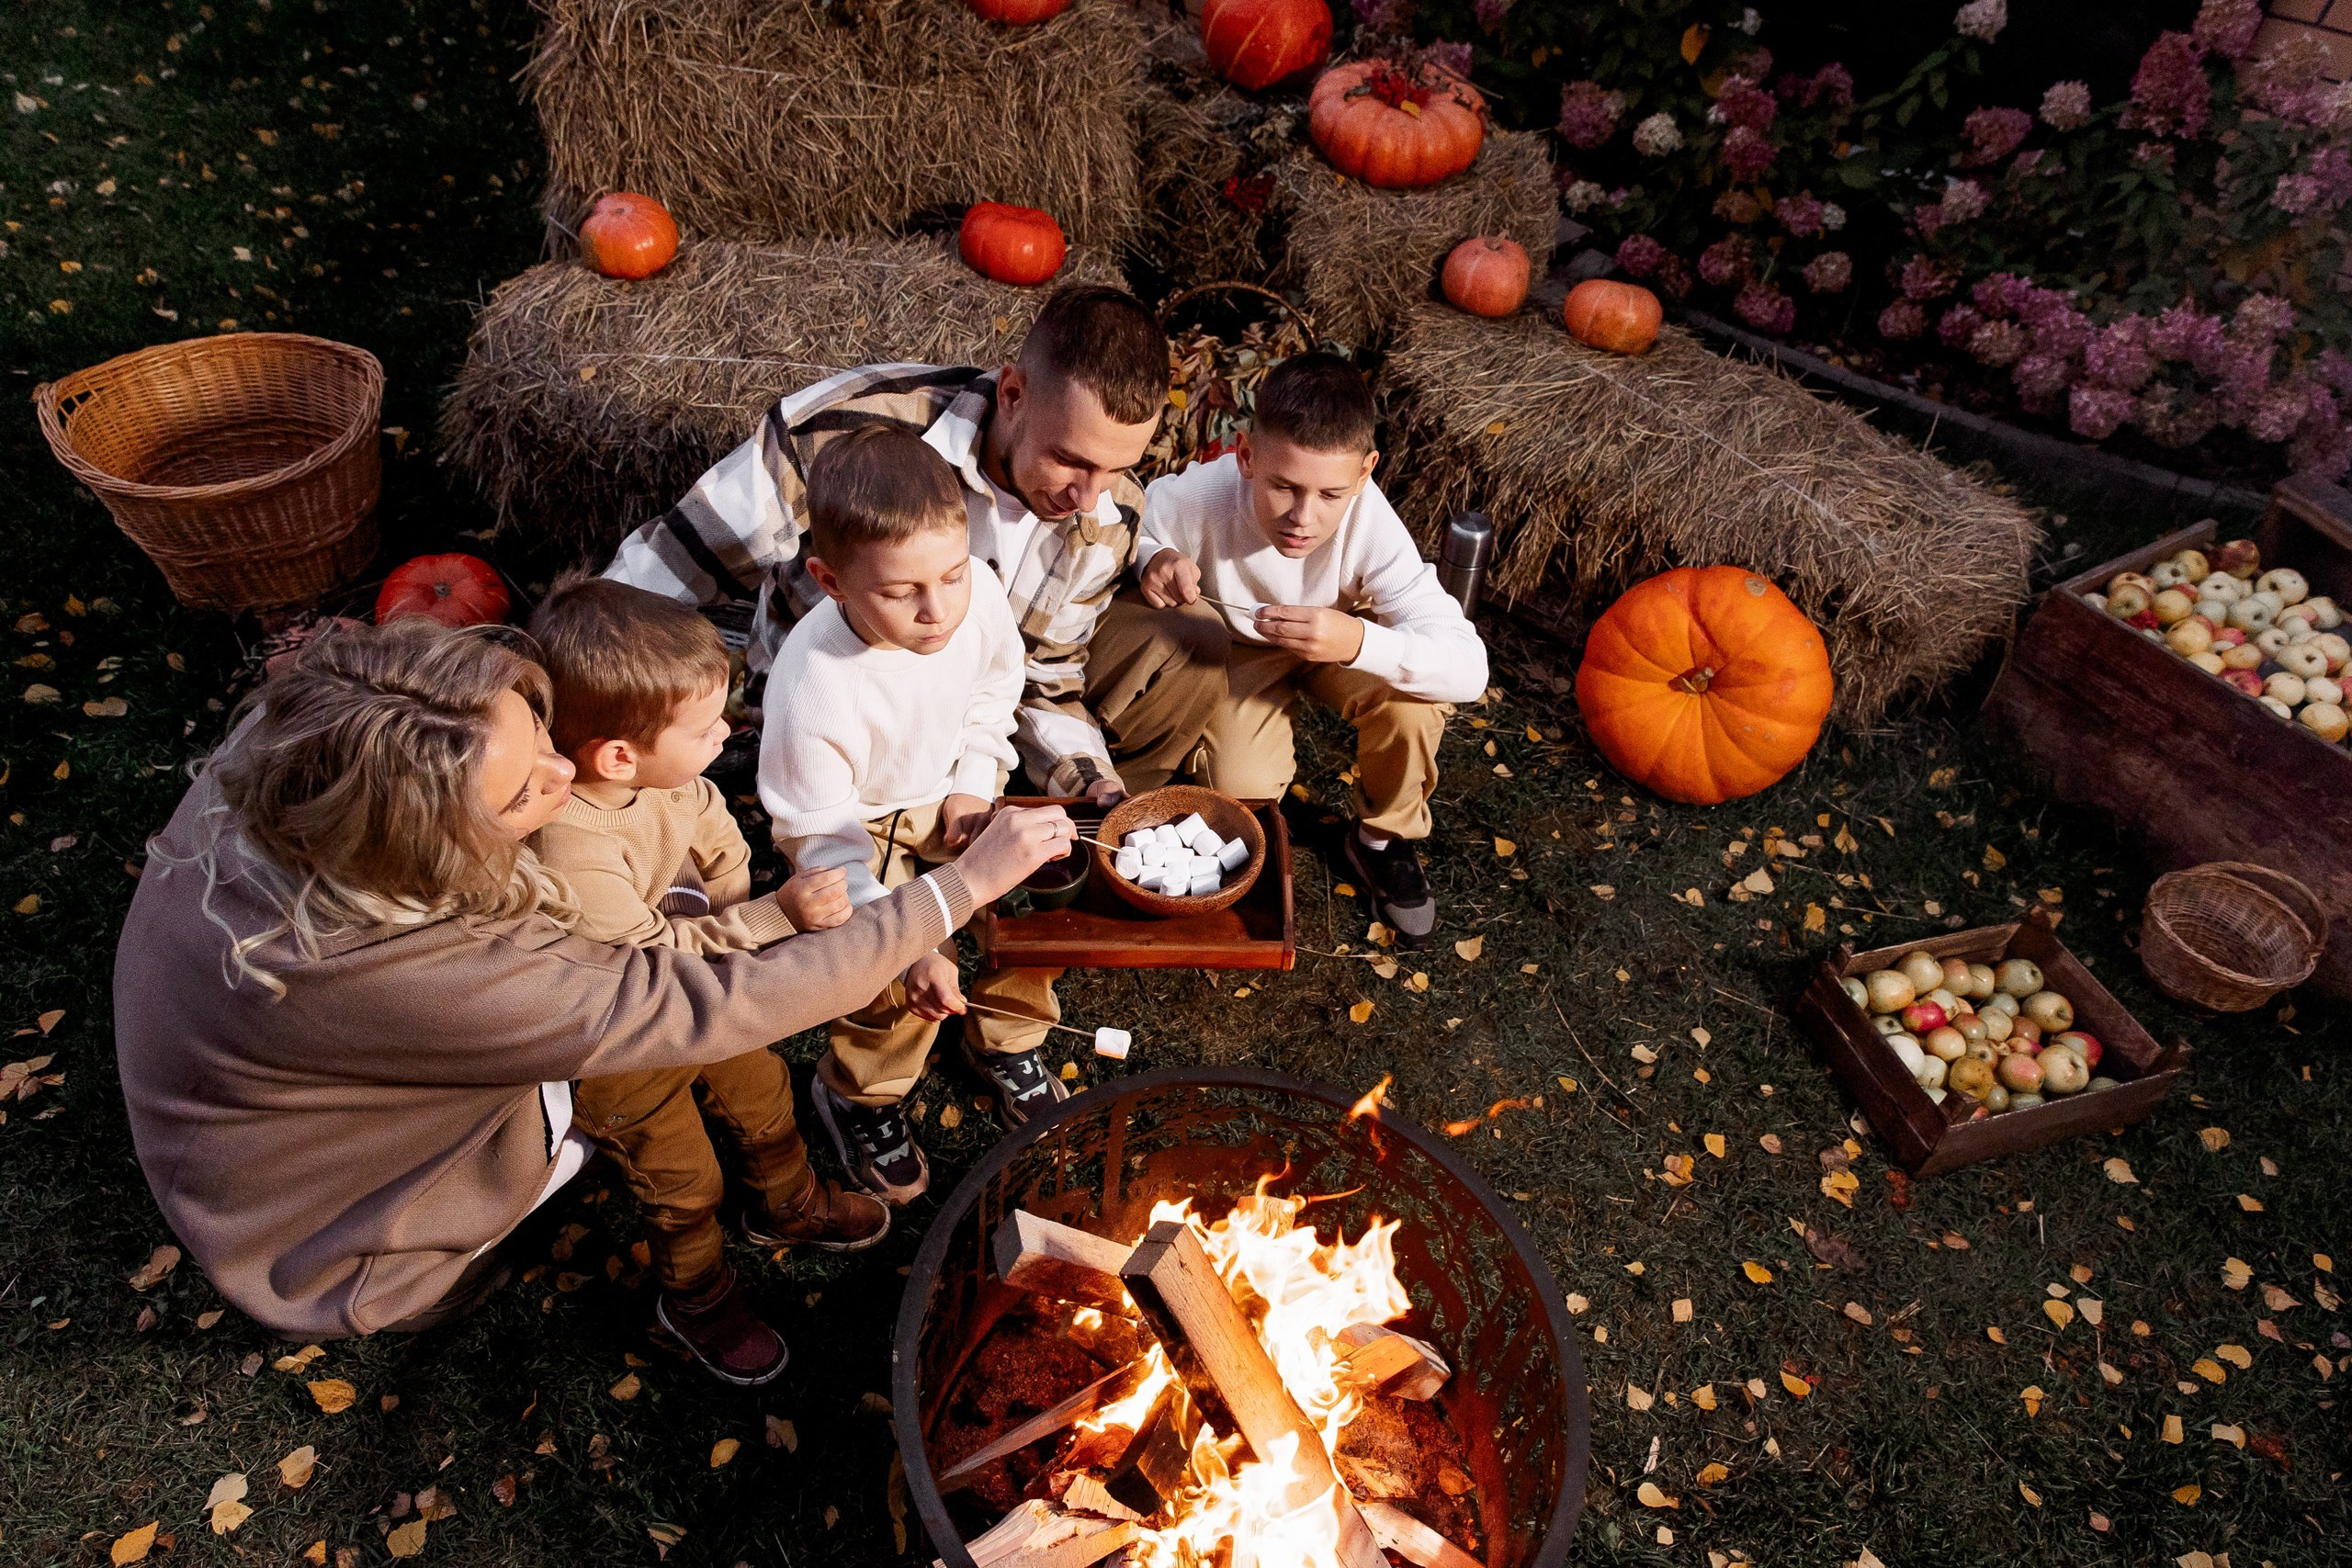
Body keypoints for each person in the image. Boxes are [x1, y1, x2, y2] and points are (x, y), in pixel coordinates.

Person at [111, 620, 1072, 1343]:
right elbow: (706, 1003)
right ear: (425, 850)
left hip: (247, 1095)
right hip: (317, 1233)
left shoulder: (312, 752)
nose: (563, 772)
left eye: (538, 730)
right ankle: (454, 1280)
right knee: (658, 1153)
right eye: (521, 792)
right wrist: (958, 889)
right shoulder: (420, 972)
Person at [602, 283, 1223, 802]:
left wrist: (1090, 785)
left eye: (1116, 469)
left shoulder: (1112, 512)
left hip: (967, 731)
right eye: (1069, 460)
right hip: (823, 714)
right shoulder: (842, 430)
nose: (1087, 498)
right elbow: (676, 563)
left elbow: (1043, 676)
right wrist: (581, 689)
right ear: (1011, 395)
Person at [525, 577, 884, 1385]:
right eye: (704, 726)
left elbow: (716, 833)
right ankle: (695, 1296)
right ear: (619, 756)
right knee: (684, 1177)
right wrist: (768, 919)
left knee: (763, 1093)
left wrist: (732, 905)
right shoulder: (570, 848)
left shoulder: (669, 779)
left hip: (695, 993)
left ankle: (786, 1204)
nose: (727, 730)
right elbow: (651, 952)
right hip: (617, 1039)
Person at [760, 426, 1061, 1205]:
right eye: (902, 593)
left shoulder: (976, 595)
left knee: (1027, 909)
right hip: (858, 833)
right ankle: (864, 1091)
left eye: (952, 575)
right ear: (831, 580)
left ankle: (1007, 1035)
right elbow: (820, 845)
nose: (938, 611)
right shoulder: (812, 686)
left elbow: (996, 689)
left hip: (950, 792)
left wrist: (973, 781)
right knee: (886, 977)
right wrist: (909, 945)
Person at [1136, 353, 1489, 948]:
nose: (1304, 517)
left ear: (1365, 471)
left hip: (1341, 639)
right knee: (1243, 793)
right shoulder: (1200, 495)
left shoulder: (1371, 522)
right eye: (1283, 487)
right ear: (1246, 456)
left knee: (1415, 703)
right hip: (1238, 652)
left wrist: (1356, 640)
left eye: (1330, 494)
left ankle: (1379, 839)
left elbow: (1469, 667)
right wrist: (1154, 558)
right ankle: (1243, 769)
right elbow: (1132, 523)